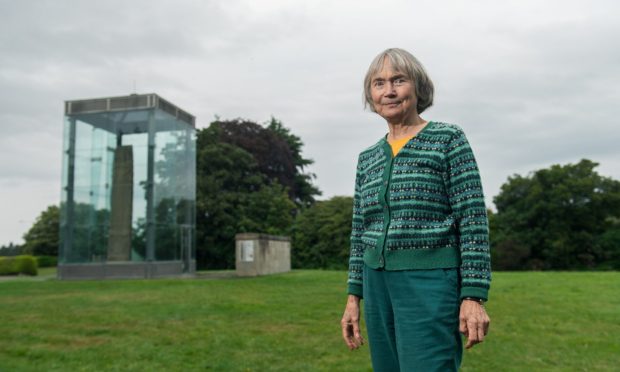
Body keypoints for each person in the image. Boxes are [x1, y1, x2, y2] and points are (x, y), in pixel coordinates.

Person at [340, 48, 491, 371]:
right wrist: (354, 297)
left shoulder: (447, 139)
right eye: (379, 83)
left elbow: (473, 220)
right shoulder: (368, 157)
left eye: (398, 80)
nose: (389, 91)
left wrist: (473, 295)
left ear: (418, 87)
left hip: (430, 283)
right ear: (371, 94)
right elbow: (359, 232)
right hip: (376, 283)